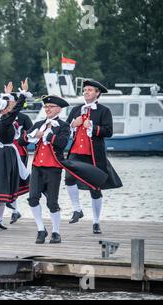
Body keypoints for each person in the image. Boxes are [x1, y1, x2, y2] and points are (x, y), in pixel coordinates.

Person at [65, 79, 123, 234]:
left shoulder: (104, 111)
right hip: (76, 152)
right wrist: (72, 125)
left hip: (94, 155)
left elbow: (109, 131)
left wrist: (93, 127)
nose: (86, 92)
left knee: (95, 188)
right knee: (69, 179)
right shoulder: (76, 109)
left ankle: (96, 222)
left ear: (97, 93)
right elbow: (64, 130)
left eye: (90, 90)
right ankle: (77, 210)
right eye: (85, 90)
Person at [18, 95, 71, 243]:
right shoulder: (39, 123)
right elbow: (21, 141)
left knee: (52, 202)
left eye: (51, 106)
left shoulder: (63, 126)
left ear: (58, 109)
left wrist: (49, 136)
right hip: (37, 167)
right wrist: (33, 134)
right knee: (33, 198)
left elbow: (62, 143)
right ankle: (41, 229)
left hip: (53, 168)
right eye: (46, 107)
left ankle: (56, 232)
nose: (47, 109)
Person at [0, 79, 31, 230]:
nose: (9, 109)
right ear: (3, 110)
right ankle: (2, 216)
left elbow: (10, 110)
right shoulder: (3, 122)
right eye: (6, 107)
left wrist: (7, 94)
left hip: (4, 154)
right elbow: (15, 111)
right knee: (3, 185)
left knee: (3, 185)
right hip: (4, 156)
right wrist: (22, 94)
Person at [0, 82, 34, 224]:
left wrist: (22, 139)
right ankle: (14, 210)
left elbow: (31, 133)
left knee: (16, 180)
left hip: (19, 151)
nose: (10, 104)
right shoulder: (2, 117)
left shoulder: (23, 118)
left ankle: (14, 208)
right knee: (6, 179)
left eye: (12, 101)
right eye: (8, 102)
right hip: (5, 151)